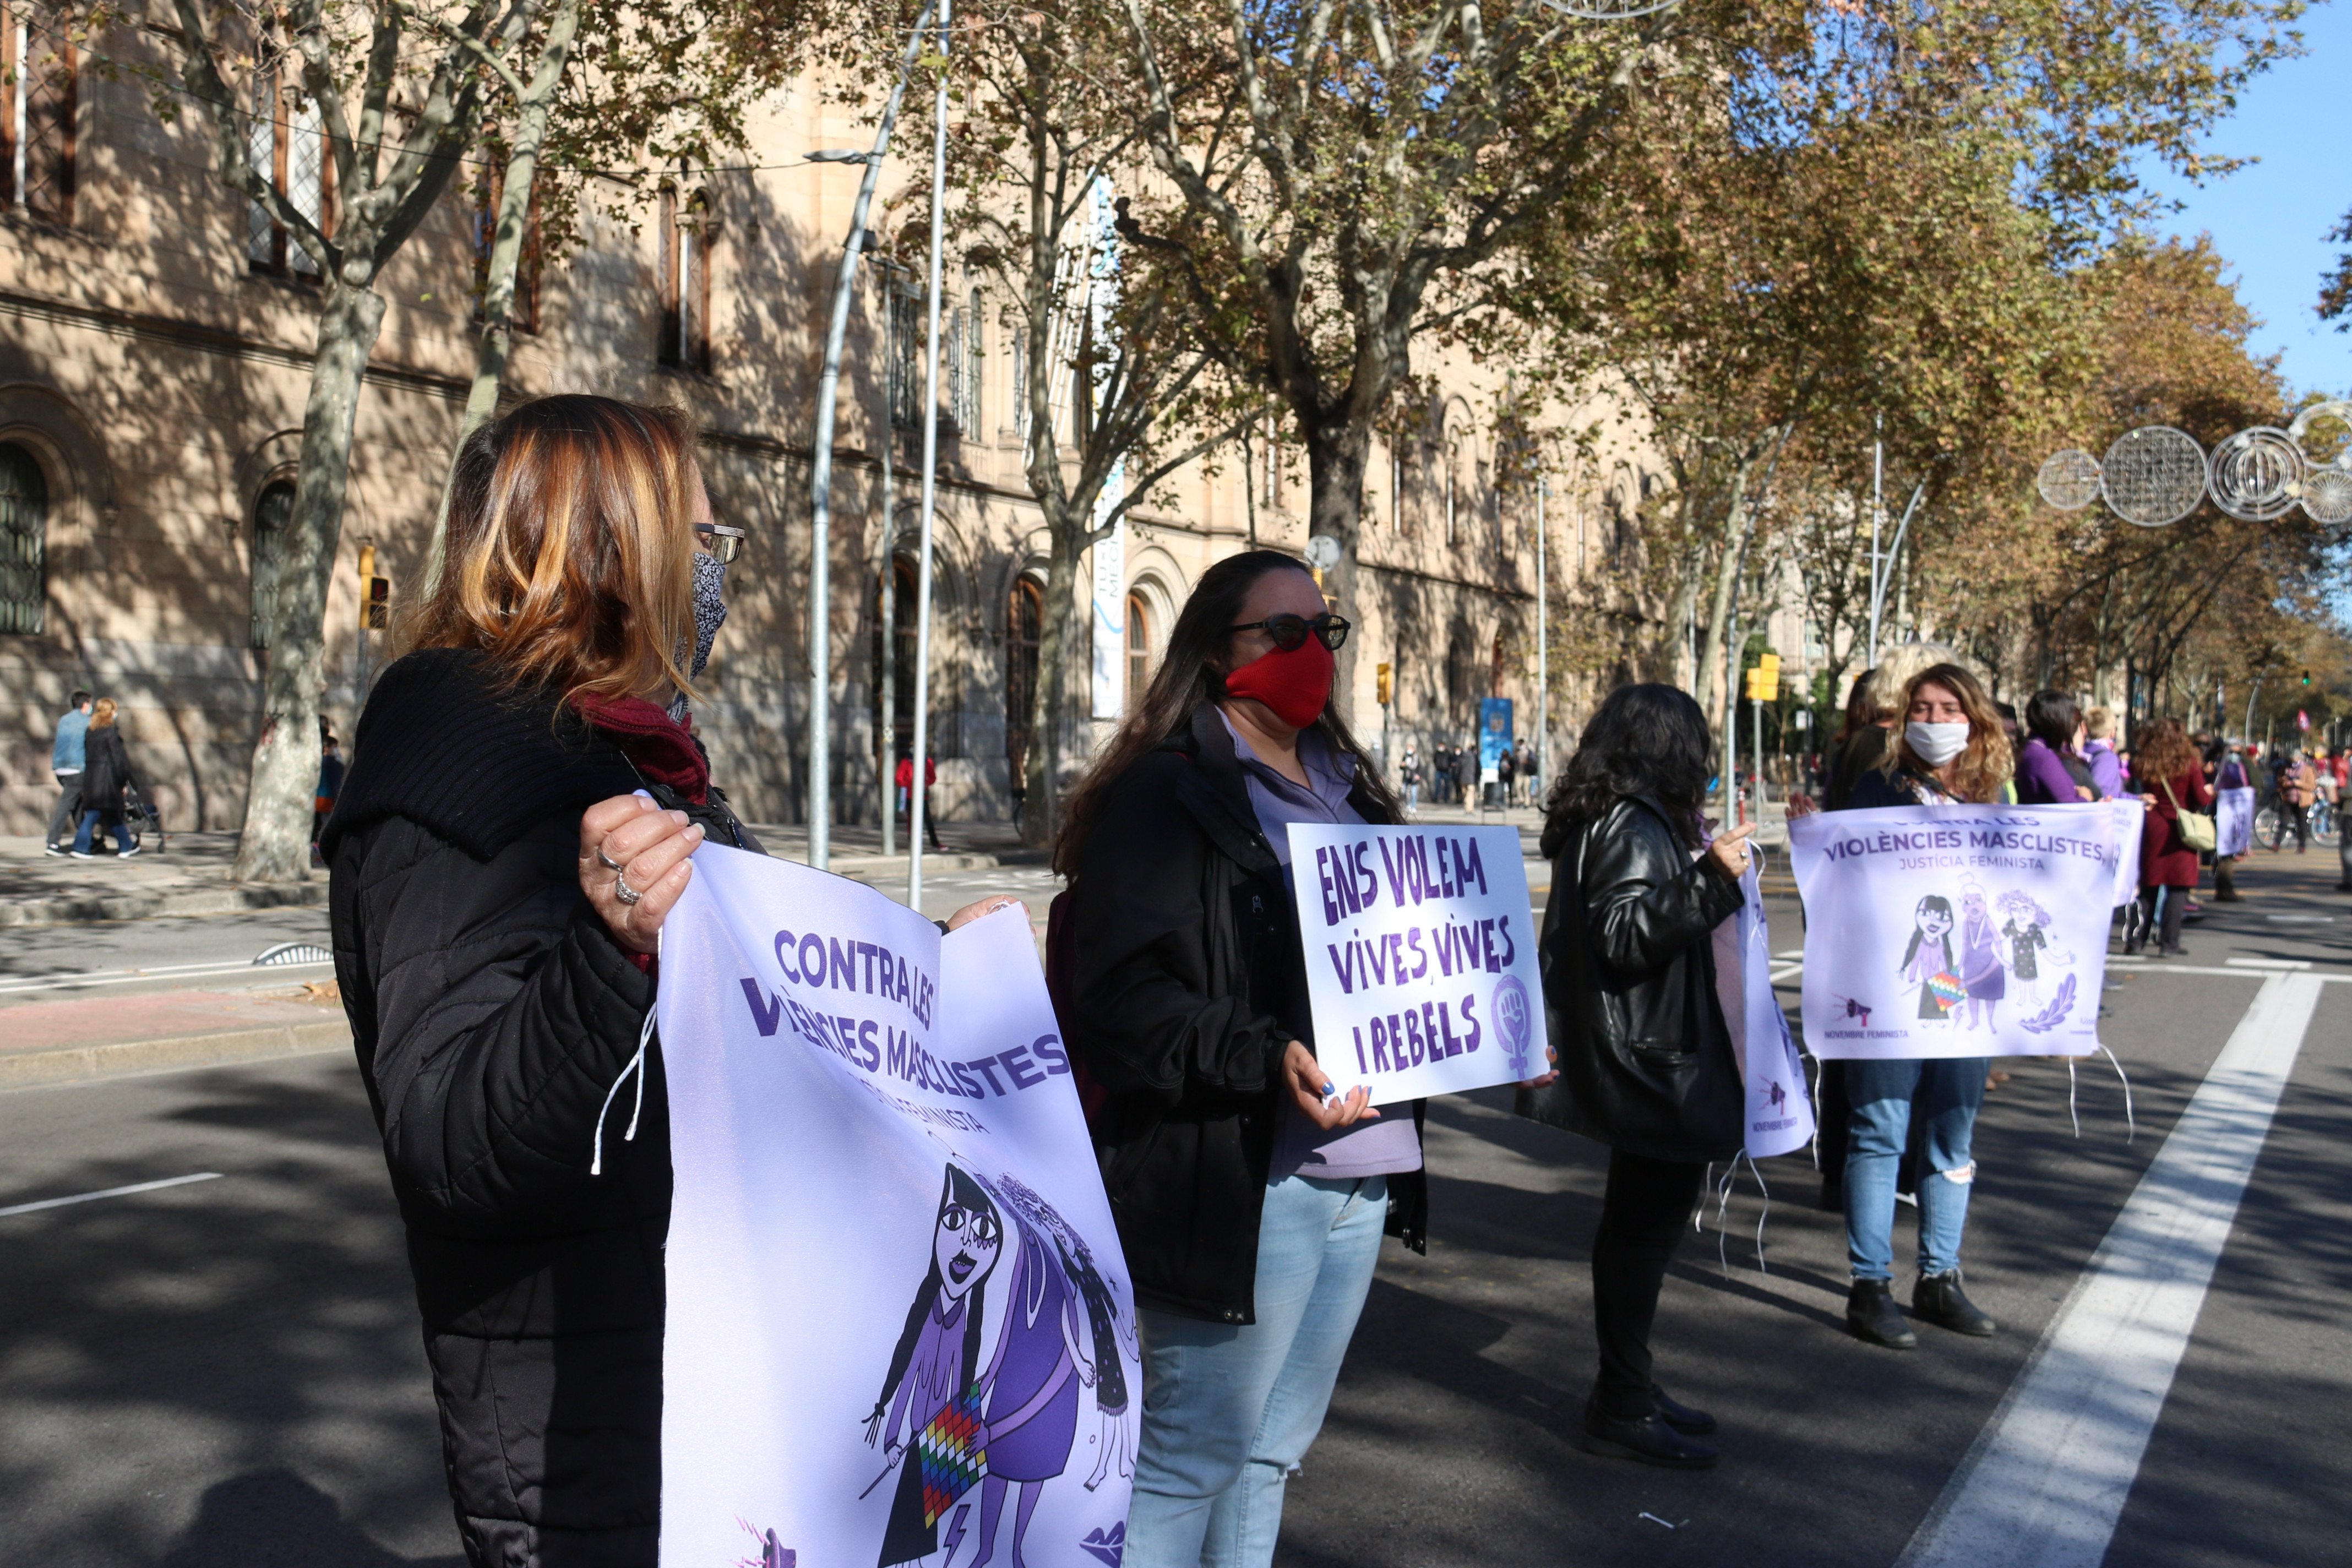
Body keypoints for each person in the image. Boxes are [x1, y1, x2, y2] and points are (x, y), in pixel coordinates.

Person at [319, 395, 1015, 1568]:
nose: (718, 560)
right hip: (591, 1432)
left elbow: (754, 1022)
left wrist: (929, 979)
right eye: (697, 534)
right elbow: (445, 1136)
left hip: (712, 1402)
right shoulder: (459, 762)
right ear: (603, 548)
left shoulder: (636, 752)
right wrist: (613, 952)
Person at [1056, 549, 1418, 1568]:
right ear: (1220, 652)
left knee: (1267, 1457)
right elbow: (1121, 1008)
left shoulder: (1355, 790)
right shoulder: (1163, 797)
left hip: (1362, 1175)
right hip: (1243, 1178)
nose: (1315, 653)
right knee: (1189, 1457)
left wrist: (1494, 1031)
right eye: (1286, 631)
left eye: (1326, 631)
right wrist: (1264, 1054)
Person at [1518, 684, 1754, 1469]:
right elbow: (1623, 935)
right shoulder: (1630, 820)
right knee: (1640, 1235)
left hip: (1647, 1051)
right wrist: (1712, 879)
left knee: (1639, 1228)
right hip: (1649, 1061)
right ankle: (1621, 1400)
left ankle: (1631, 1386)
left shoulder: (1622, 814)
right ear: (1669, 746)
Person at [1841, 662, 2011, 1348]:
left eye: (1947, 709)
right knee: (1879, 1131)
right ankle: (1869, 1284)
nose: (1934, 720)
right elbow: (1842, 876)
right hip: (1889, 989)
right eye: (1923, 707)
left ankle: (1939, 1277)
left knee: (1952, 1135)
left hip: (1964, 992)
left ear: (1973, 719)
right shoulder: (1875, 787)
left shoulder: (1993, 796)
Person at [2128, 718, 2212, 958]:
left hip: (2152, 825)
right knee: (2178, 887)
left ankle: (2136, 941)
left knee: (2148, 886)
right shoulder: (2189, 764)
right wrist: (2208, 793)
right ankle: (2169, 943)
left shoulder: (2144, 762)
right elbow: (2201, 799)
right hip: (2179, 828)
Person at [69, 698, 143, 858]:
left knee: (111, 815)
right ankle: (80, 847)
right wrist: (124, 781)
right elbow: (119, 760)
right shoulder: (111, 732)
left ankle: (126, 845)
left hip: (93, 779)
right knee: (97, 814)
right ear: (111, 712)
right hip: (107, 781)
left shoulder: (91, 731)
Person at [2014, 691, 2095, 805]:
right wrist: (2085, 797)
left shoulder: (2031, 749)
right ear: (2060, 720)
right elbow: (2069, 806)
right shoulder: (2042, 757)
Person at [45, 689, 91, 855]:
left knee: (77, 805)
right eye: (90, 704)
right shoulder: (87, 722)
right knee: (66, 804)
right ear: (86, 705)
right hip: (77, 768)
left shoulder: (64, 720)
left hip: (60, 768)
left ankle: (88, 839)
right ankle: (53, 842)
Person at [2209, 738, 2250, 902]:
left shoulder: (2237, 766)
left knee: (2228, 854)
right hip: (2221, 812)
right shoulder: (2217, 766)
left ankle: (2225, 887)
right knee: (2224, 854)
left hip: (2234, 813)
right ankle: (2224, 890)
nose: (2235, 755)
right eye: (2232, 752)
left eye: (2238, 752)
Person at [895, 752, 943, 850]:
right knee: (912, 820)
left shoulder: (928, 762)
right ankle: (912, 843)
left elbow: (933, 778)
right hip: (910, 795)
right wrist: (910, 783)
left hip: (922, 796)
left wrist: (925, 783)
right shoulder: (906, 762)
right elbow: (899, 779)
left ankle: (935, 843)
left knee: (928, 820)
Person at [313, 720, 346, 859]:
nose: (336, 750)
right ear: (327, 748)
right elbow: (335, 784)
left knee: (316, 826)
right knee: (326, 826)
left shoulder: (317, 761)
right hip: (327, 799)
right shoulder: (333, 764)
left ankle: (316, 850)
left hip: (316, 799)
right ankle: (320, 852)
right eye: (335, 747)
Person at [2083, 707, 2124, 799]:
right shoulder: (2107, 758)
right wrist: (2136, 799)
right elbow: (2100, 792)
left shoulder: (2082, 750)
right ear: (2112, 732)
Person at [1400, 747, 1423, 812]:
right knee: (1404, 792)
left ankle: (1413, 806)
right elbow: (1401, 767)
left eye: (1410, 749)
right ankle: (1408, 805)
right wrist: (1402, 765)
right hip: (1406, 777)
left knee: (1413, 793)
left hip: (1414, 777)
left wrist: (1418, 775)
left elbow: (1419, 767)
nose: (1409, 750)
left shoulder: (1416, 757)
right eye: (1408, 749)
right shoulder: (1405, 757)